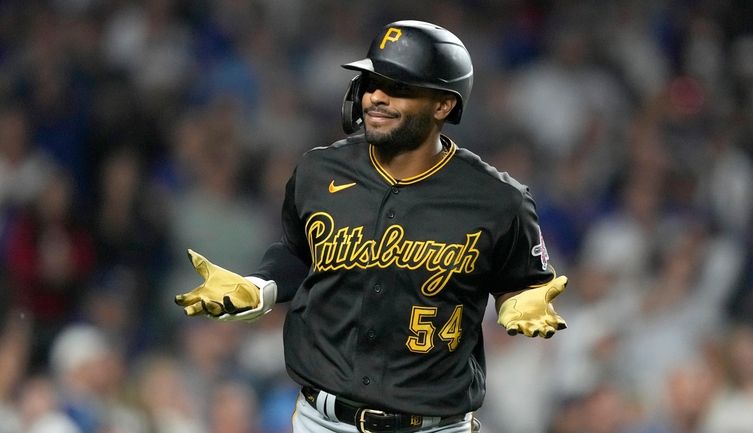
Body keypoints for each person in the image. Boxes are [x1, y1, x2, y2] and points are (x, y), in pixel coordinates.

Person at [174, 20, 568, 433]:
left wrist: (522, 299)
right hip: (321, 420)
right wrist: (260, 287)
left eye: (397, 87)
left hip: (435, 425)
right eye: (371, 82)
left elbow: (525, 284)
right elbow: (298, 252)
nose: (376, 97)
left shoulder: (498, 200)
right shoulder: (317, 171)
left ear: (443, 106)